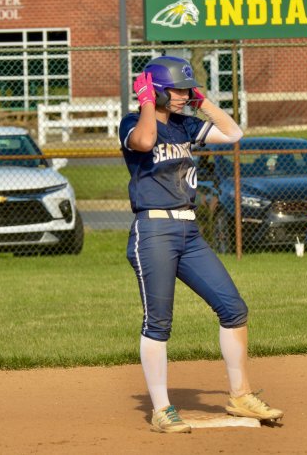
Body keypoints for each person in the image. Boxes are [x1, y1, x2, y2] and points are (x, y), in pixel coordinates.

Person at [119, 56, 284, 433]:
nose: (181, 96)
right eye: (176, 90)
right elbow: (145, 141)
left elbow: (233, 133)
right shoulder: (132, 123)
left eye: (185, 89)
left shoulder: (185, 126)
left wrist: (200, 100)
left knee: (233, 308)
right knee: (158, 322)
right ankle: (161, 409)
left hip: (189, 233)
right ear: (156, 91)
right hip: (154, 231)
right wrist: (147, 102)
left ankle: (240, 395)